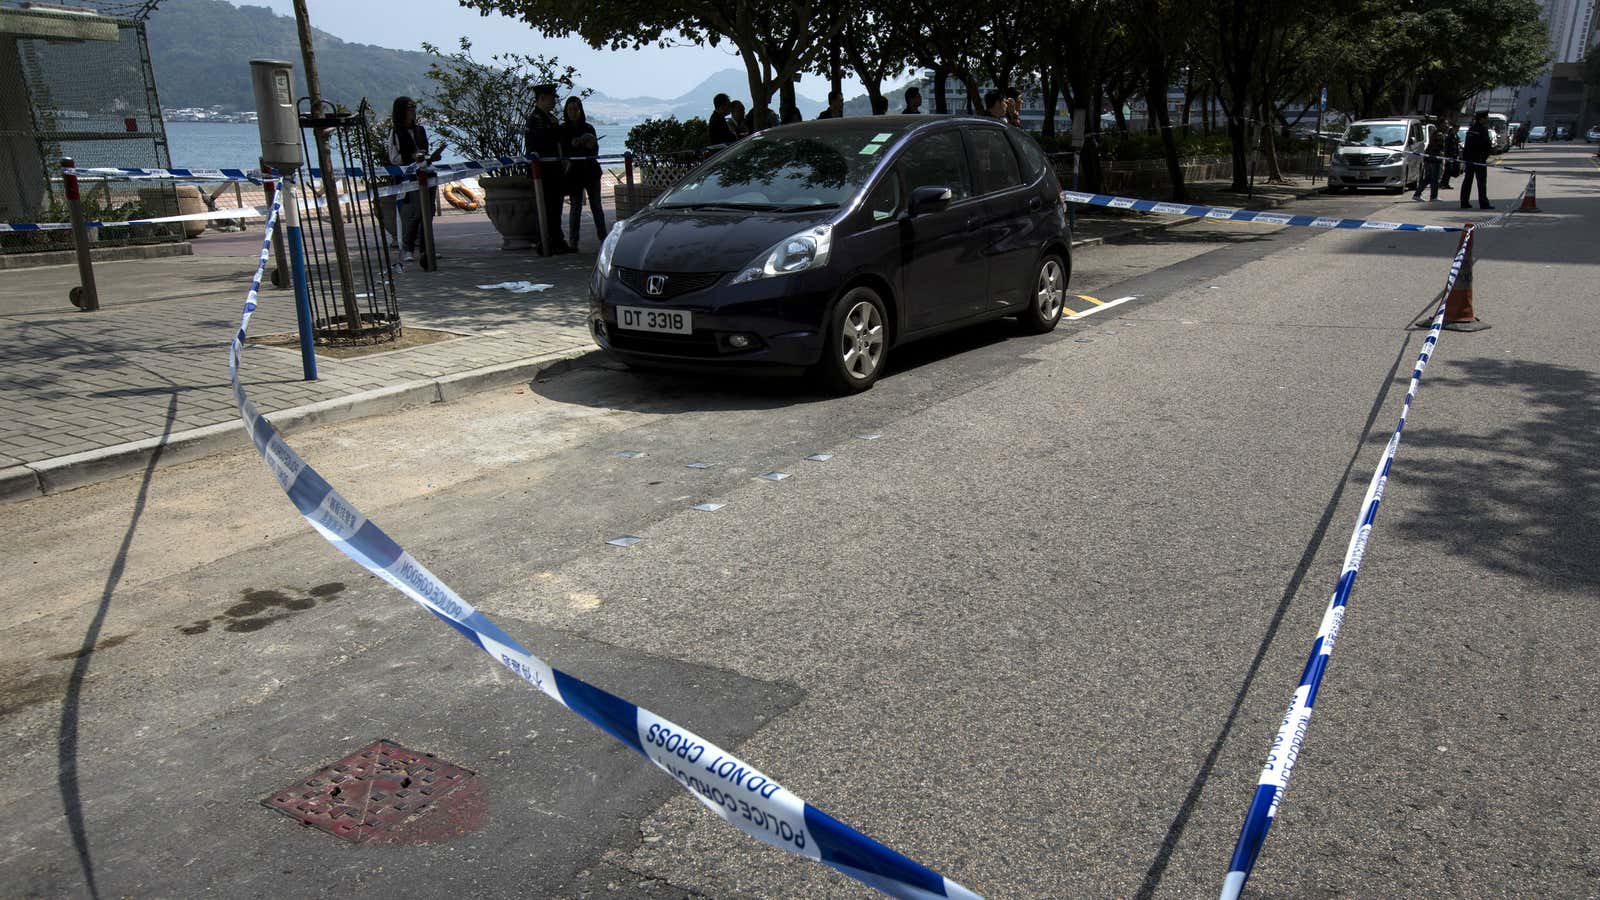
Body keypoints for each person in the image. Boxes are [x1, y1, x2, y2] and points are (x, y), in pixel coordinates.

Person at [388, 95, 443, 263]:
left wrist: (431, 157)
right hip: (409, 177)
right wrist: (411, 157)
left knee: (429, 212)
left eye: (414, 107)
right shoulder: (395, 132)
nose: (413, 111)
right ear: (402, 111)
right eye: (410, 108)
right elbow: (393, 158)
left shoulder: (420, 130)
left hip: (427, 174)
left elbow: (424, 151)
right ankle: (408, 248)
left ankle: (427, 249)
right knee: (414, 214)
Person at [524, 82, 573, 254]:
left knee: (556, 206)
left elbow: (559, 141)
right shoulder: (535, 119)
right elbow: (539, 144)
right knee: (545, 207)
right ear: (542, 98)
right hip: (542, 171)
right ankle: (544, 241)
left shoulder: (551, 119)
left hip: (555, 169)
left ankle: (557, 240)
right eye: (552, 98)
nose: (554, 102)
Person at [560, 96, 605, 252]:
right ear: (566, 111)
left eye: (576, 109)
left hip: (591, 172)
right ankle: (573, 242)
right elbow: (564, 151)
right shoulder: (563, 129)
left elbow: (594, 150)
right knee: (575, 208)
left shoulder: (589, 128)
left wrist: (586, 142)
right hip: (574, 174)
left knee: (596, 207)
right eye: (570, 109)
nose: (573, 112)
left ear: (580, 110)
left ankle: (604, 238)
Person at [1459, 110, 1493, 210]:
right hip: (1479, 159)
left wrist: (1466, 158)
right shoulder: (1483, 129)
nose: (1487, 120)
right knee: (1481, 182)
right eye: (1486, 118)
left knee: (1467, 181)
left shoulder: (1471, 129)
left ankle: (1464, 202)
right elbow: (1486, 145)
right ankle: (1483, 203)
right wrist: (1484, 157)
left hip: (1469, 159)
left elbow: (1466, 146)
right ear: (1482, 119)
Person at [1412, 125, 1444, 201]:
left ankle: (1417, 194)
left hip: (1429, 159)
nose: (1447, 126)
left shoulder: (1435, 134)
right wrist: (1442, 154)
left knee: (1428, 178)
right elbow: (1439, 147)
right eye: (1445, 124)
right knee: (1434, 179)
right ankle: (1433, 196)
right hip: (1434, 160)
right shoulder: (1439, 134)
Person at [1440, 119, 1459, 189]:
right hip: (1449, 155)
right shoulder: (1450, 136)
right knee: (1447, 170)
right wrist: (1447, 156)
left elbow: (1456, 146)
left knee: (1450, 170)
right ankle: (1443, 183)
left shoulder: (1455, 135)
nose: (1458, 130)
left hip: (1453, 155)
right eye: (1457, 128)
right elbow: (1447, 146)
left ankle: (1446, 183)